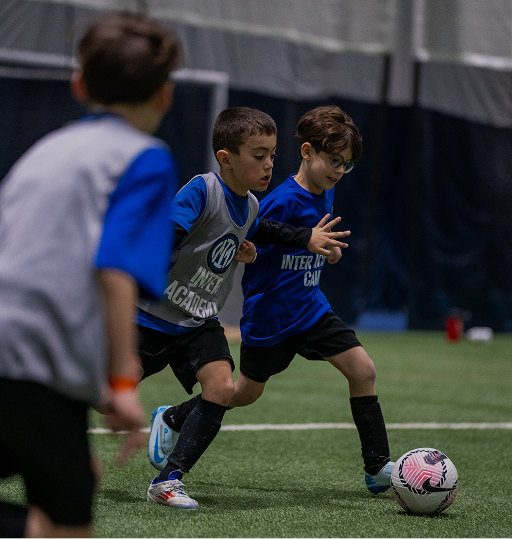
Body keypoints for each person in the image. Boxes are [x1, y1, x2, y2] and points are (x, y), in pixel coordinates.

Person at [0, 11, 181, 539]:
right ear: (165, 95)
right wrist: (123, 379)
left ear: (79, 85)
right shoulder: (144, 158)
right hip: (32, 362)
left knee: (75, 482)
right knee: (68, 522)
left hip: (19, 356)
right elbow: (116, 266)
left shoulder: (44, 151)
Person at [154, 105, 394, 500]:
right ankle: (172, 416)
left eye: (346, 165)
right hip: (271, 316)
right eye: (333, 161)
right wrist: (275, 246)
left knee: (363, 369)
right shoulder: (278, 201)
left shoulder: (327, 190)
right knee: (243, 393)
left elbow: (310, 243)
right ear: (306, 152)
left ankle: (377, 467)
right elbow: (252, 244)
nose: (338, 171)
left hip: (312, 309)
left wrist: (326, 252)